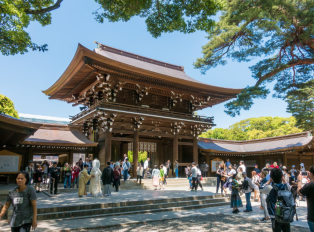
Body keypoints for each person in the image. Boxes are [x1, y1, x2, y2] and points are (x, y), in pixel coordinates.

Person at [297, 165, 314, 232]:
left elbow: (299, 192)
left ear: (311, 174)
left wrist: (299, 180)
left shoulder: (309, 185)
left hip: (312, 217)